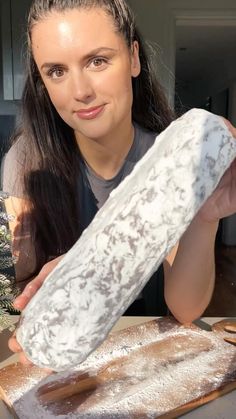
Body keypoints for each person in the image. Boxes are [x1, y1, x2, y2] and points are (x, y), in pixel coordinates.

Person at [2, 0, 236, 366]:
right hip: (58, 364)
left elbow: (185, 309)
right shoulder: (25, 163)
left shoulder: (173, 162)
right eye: (57, 71)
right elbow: (11, 299)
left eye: (97, 61)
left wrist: (205, 216)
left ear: (133, 58)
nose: (80, 91)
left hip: (147, 359)